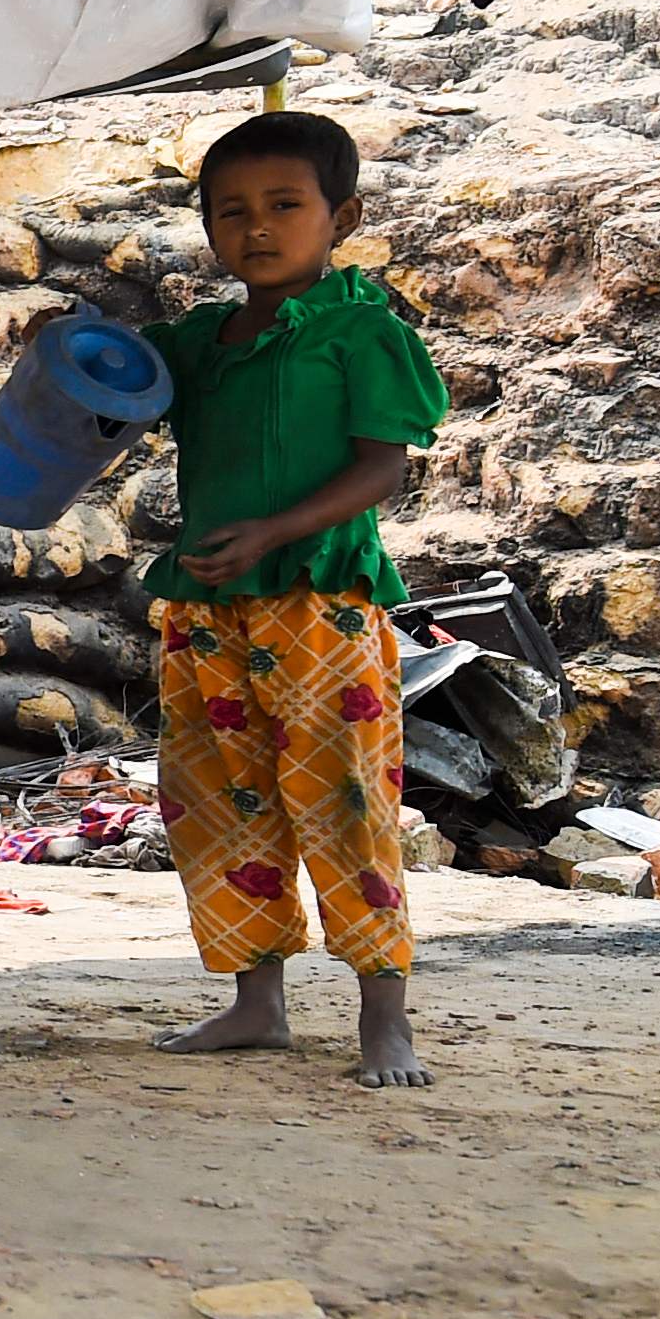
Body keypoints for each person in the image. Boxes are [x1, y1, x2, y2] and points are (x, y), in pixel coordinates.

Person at [140, 107, 453, 1089]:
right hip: (206, 607)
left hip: (318, 604)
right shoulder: (196, 342)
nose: (255, 228)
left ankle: (382, 1019)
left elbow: (379, 470)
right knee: (218, 800)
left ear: (341, 215)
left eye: (283, 204)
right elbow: (107, 386)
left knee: (345, 803)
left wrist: (274, 532)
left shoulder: (361, 330)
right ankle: (254, 1004)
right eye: (227, 211)